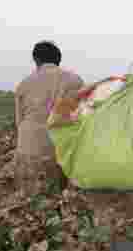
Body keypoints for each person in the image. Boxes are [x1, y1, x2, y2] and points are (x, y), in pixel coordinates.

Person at [13, 41, 85, 195]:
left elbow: (19, 122)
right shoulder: (75, 81)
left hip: (28, 149)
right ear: (58, 60)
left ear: (36, 60)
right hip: (60, 151)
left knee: (30, 202)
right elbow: (80, 120)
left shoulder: (23, 85)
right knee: (59, 200)